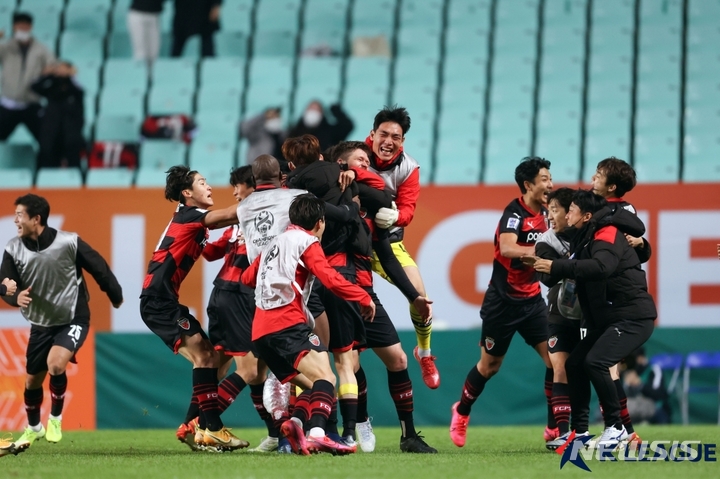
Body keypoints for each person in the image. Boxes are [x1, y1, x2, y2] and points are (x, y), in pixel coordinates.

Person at [241, 193, 375, 455]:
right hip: (287, 324)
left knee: (314, 385)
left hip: (260, 332)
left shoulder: (272, 242)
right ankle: (317, 434)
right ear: (320, 222)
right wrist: (363, 297)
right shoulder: (307, 241)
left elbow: (247, 278)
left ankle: (295, 424)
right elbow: (330, 278)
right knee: (326, 375)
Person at [330, 140, 437, 454]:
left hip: (366, 292)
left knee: (399, 359)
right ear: (340, 165)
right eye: (359, 160)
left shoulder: (371, 208)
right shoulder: (327, 199)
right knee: (348, 361)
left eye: (367, 160)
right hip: (336, 289)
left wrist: (414, 296)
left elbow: (387, 256)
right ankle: (358, 423)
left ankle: (409, 436)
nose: (366, 165)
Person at [531, 189, 656, 449]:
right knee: (575, 364)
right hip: (610, 318)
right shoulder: (584, 238)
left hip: (631, 316)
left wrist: (556, 266)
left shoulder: (606, 233)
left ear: (585, 215)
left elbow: (602, 267)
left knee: (596, 362)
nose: (565, 214)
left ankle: (616, 428)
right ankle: (579, 432)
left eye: (570, 209)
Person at [0, 194, 123, 448]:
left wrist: (115, 295)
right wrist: (13, 296)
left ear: (37, 219)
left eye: (20, 215)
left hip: (73, 317)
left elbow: (98, 266)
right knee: (32, 381)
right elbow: (5, 285)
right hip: (41, 323)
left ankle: (55, 418)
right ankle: (34, 427)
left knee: (56, 364)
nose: (15, 220)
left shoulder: (68, 242)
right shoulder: (13, 248)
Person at [140, 166, 248, 452]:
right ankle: (211, 428)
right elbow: (226, 215)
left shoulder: (189, 219)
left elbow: (210, 251)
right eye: (202, 183)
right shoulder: (191, 216)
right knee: (206, 358)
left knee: (211, 357)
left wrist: (232, 240)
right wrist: (262, 198)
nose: (209, 187)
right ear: (187, 193)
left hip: (162, 301)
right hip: (158, 302)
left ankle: (196, 426)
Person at [449, 157, 555, 448]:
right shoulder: (514, 214)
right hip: (502, 303)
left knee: (557, 362)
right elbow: (507, 247)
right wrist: (542, 250)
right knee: (490, 366)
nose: (550, 184)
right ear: (528, 185)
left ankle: (553, 429)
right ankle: (462, 411)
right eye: (544, 179)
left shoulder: (550, 212)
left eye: (550, 178)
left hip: (533, 301)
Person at [364, 106, 439, 389]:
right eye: (384, 134)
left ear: (402, 141)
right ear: (372, 135)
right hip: (351, 245)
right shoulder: (353, 156)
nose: (389, 141)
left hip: (387, 243)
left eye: (396, 136)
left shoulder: (410, 167)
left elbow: (408, 210)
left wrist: (395, 216)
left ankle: (425, 352)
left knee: (420, 297)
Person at [590, 156, 650, 446]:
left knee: (602, 365)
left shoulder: (620, 211)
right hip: (599, 299)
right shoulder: (595, 205)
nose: (592, 178)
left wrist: (641, 243)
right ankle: (623, 431)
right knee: (599, 365)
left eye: (598, 174)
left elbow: (635, 239)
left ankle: (617, 429)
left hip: (615, 301)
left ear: (611, 185)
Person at [532, 187, 581, 450]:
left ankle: (615, 428)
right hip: (560, 311)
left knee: (600, 370)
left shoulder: (588, 233)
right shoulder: (545, 241)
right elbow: (547, 276)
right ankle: (563, 432)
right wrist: (577, 262)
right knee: (559, 367)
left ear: (571, 212)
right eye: (548, 210)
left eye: (555, 210)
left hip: (589, 313)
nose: (549, 215)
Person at [0, 12, 55, 141]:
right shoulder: (6, 47)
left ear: (31, 27)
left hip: (31, 103)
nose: (22, 30)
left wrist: (49, 69)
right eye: (19, 27)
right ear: (14, 28)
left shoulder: (41, 49)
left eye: (25, 27)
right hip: (9, 103)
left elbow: (53, 65)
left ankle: (48, 161)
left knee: (46, 139)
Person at [30, 62, 85, 169]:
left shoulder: (73, 87)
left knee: (72, 154)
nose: (60, 71)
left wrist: (70, 76)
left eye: (63, 68)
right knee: (48, 153)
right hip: (52, 129)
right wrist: (48, 75)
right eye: (58, 69)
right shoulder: (52, 85)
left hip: (70, 130)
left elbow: (79, 90)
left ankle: (75, 179)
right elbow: (35, 87)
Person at [621, 347, 672, 424]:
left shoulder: (653, 369)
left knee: (626, 406)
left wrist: (640, 384)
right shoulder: (630, 371)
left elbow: (658, 394)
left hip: (654, 406)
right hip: (634, 405)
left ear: (640, 358)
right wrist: (627, 385)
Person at [288, 101, 353, 152]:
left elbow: (347, 126)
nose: (313, 112)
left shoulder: (329, 132)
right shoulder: (294, 131)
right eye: (311, 109)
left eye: (316, 110)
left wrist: (337, 111)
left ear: (322, 113)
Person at [127, 0, 166, 68]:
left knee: (154, 53)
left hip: (155, 16)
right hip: (138, 14)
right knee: (140, 53)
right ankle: (139, 76)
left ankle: (151, 77)